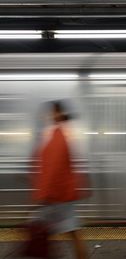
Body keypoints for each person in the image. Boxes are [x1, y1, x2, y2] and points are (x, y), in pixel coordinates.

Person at [31, 101, 87, 259]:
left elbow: (53, 167)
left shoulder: (59, 134)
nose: (49, 115)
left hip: (56, 194)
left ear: (58, 113)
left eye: (51, 112)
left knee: (43, 232)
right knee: (68, 232)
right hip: (62, 193)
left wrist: (43, 194)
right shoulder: (63, 132)